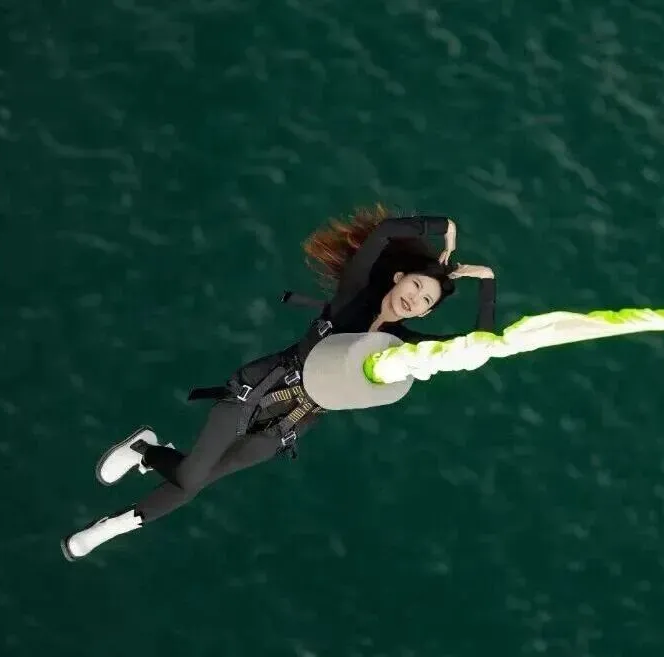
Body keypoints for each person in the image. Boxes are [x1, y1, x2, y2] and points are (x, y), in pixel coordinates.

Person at [60, 206, 497, 561]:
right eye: (416, 285)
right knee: (191, 477)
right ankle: (144, 454)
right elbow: (384, 232)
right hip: (258, 390)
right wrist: (445, 228)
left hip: (290, 424)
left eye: (425, 301)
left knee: (199, 481)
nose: (414, 298)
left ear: (425, 313)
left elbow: (477, 350)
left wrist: (486, 282)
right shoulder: (354, 296)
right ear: (400, 277)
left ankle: (120, 510)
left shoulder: (402, 345)